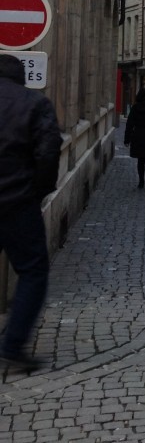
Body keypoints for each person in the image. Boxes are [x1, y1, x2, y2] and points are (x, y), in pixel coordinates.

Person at [0, 53, 62, 372]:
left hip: (18, 199)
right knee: (33, 271)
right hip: (16, 202)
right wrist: (37, 191)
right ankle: (11, 349)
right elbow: (49, 151)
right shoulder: (34, 103)